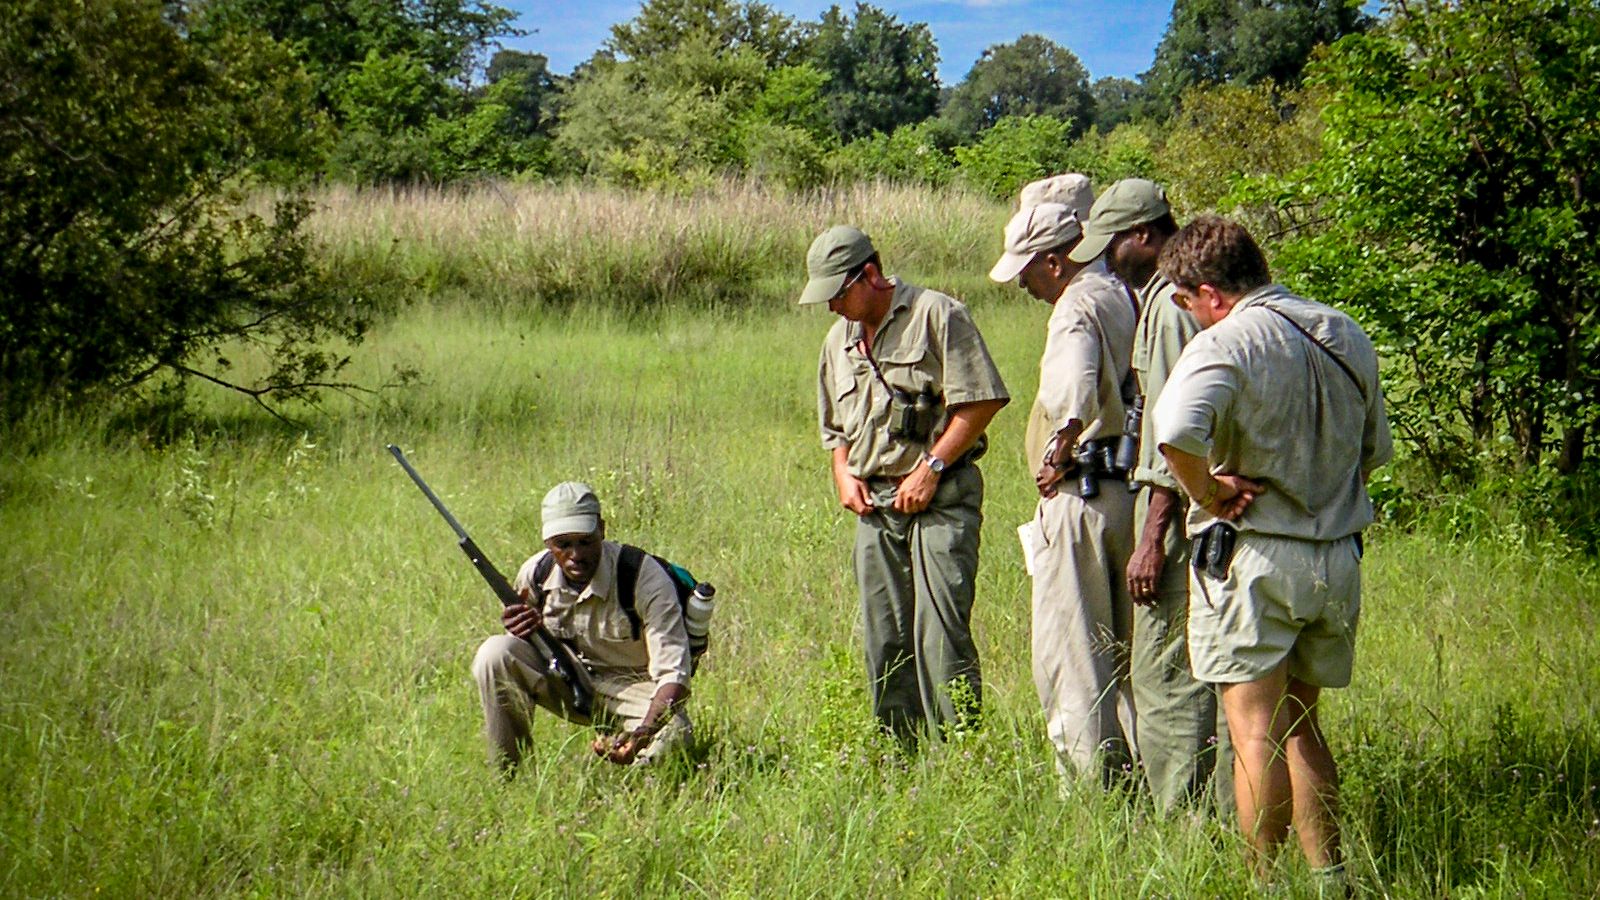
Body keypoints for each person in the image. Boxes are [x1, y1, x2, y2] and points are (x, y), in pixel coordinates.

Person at [1151, 217, 1392, 884]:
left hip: (1255, 556)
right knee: (1303, 724)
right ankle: (1329, 879)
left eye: (1186, 304)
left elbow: (1175, 432)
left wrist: (1211, 493)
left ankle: (1260, 882)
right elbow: (1374, 453)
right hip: (1338, 556)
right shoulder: (1344, 331)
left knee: (1253, 731)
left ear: (1207, 293)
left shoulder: (1225, 340)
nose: (1190, 318)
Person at [803, 224, 1010, 745]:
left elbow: (980, 401)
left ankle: (962, 752)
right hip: (874, 505)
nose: (832, 308)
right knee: (884, 634)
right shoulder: (838, 341)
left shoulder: (938, 314)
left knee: (940, 633)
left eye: (838, 293)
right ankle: (899, 752)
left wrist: (931, 468)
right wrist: (843, 473)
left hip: (940, 498)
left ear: (869, 274)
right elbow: (834, 428)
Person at [1069, 178, 1231, 815]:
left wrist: (1149, 539)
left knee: (1165, 675)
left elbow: (1170, 433)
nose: (1108, 259)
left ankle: (1181, 819)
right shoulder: (1190, 297)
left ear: (1144, 234)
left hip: (1176, 512)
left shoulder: (1168, 304)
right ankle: (1223, 813)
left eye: (1114, 244)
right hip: (1206, 506)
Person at [989, 198, 1140, 786]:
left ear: (1054, 261)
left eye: (1026, 268)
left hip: (1081, 497)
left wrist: (1059, 448)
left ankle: (1090, 791)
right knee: (1128, 654)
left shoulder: (1075, 305)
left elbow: (1073, 384)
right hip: (1131, 493)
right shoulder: (1122, 292)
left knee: (1073, 658)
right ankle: (1141, 775)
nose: (1022, 282)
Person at [472, 482, 693, 770]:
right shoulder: (535, 574)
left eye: (585, 541)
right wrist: (519, 628)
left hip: (634, 688)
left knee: (676, 732)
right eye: (563, 544)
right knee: (494, 654)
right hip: (565, 677)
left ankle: (639, 783)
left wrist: (642, 735)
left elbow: (674, 676)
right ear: (548, 543)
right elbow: (517, 655)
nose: (576, 554)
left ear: (602, 529)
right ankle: (508, 778)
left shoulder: (643, 577)